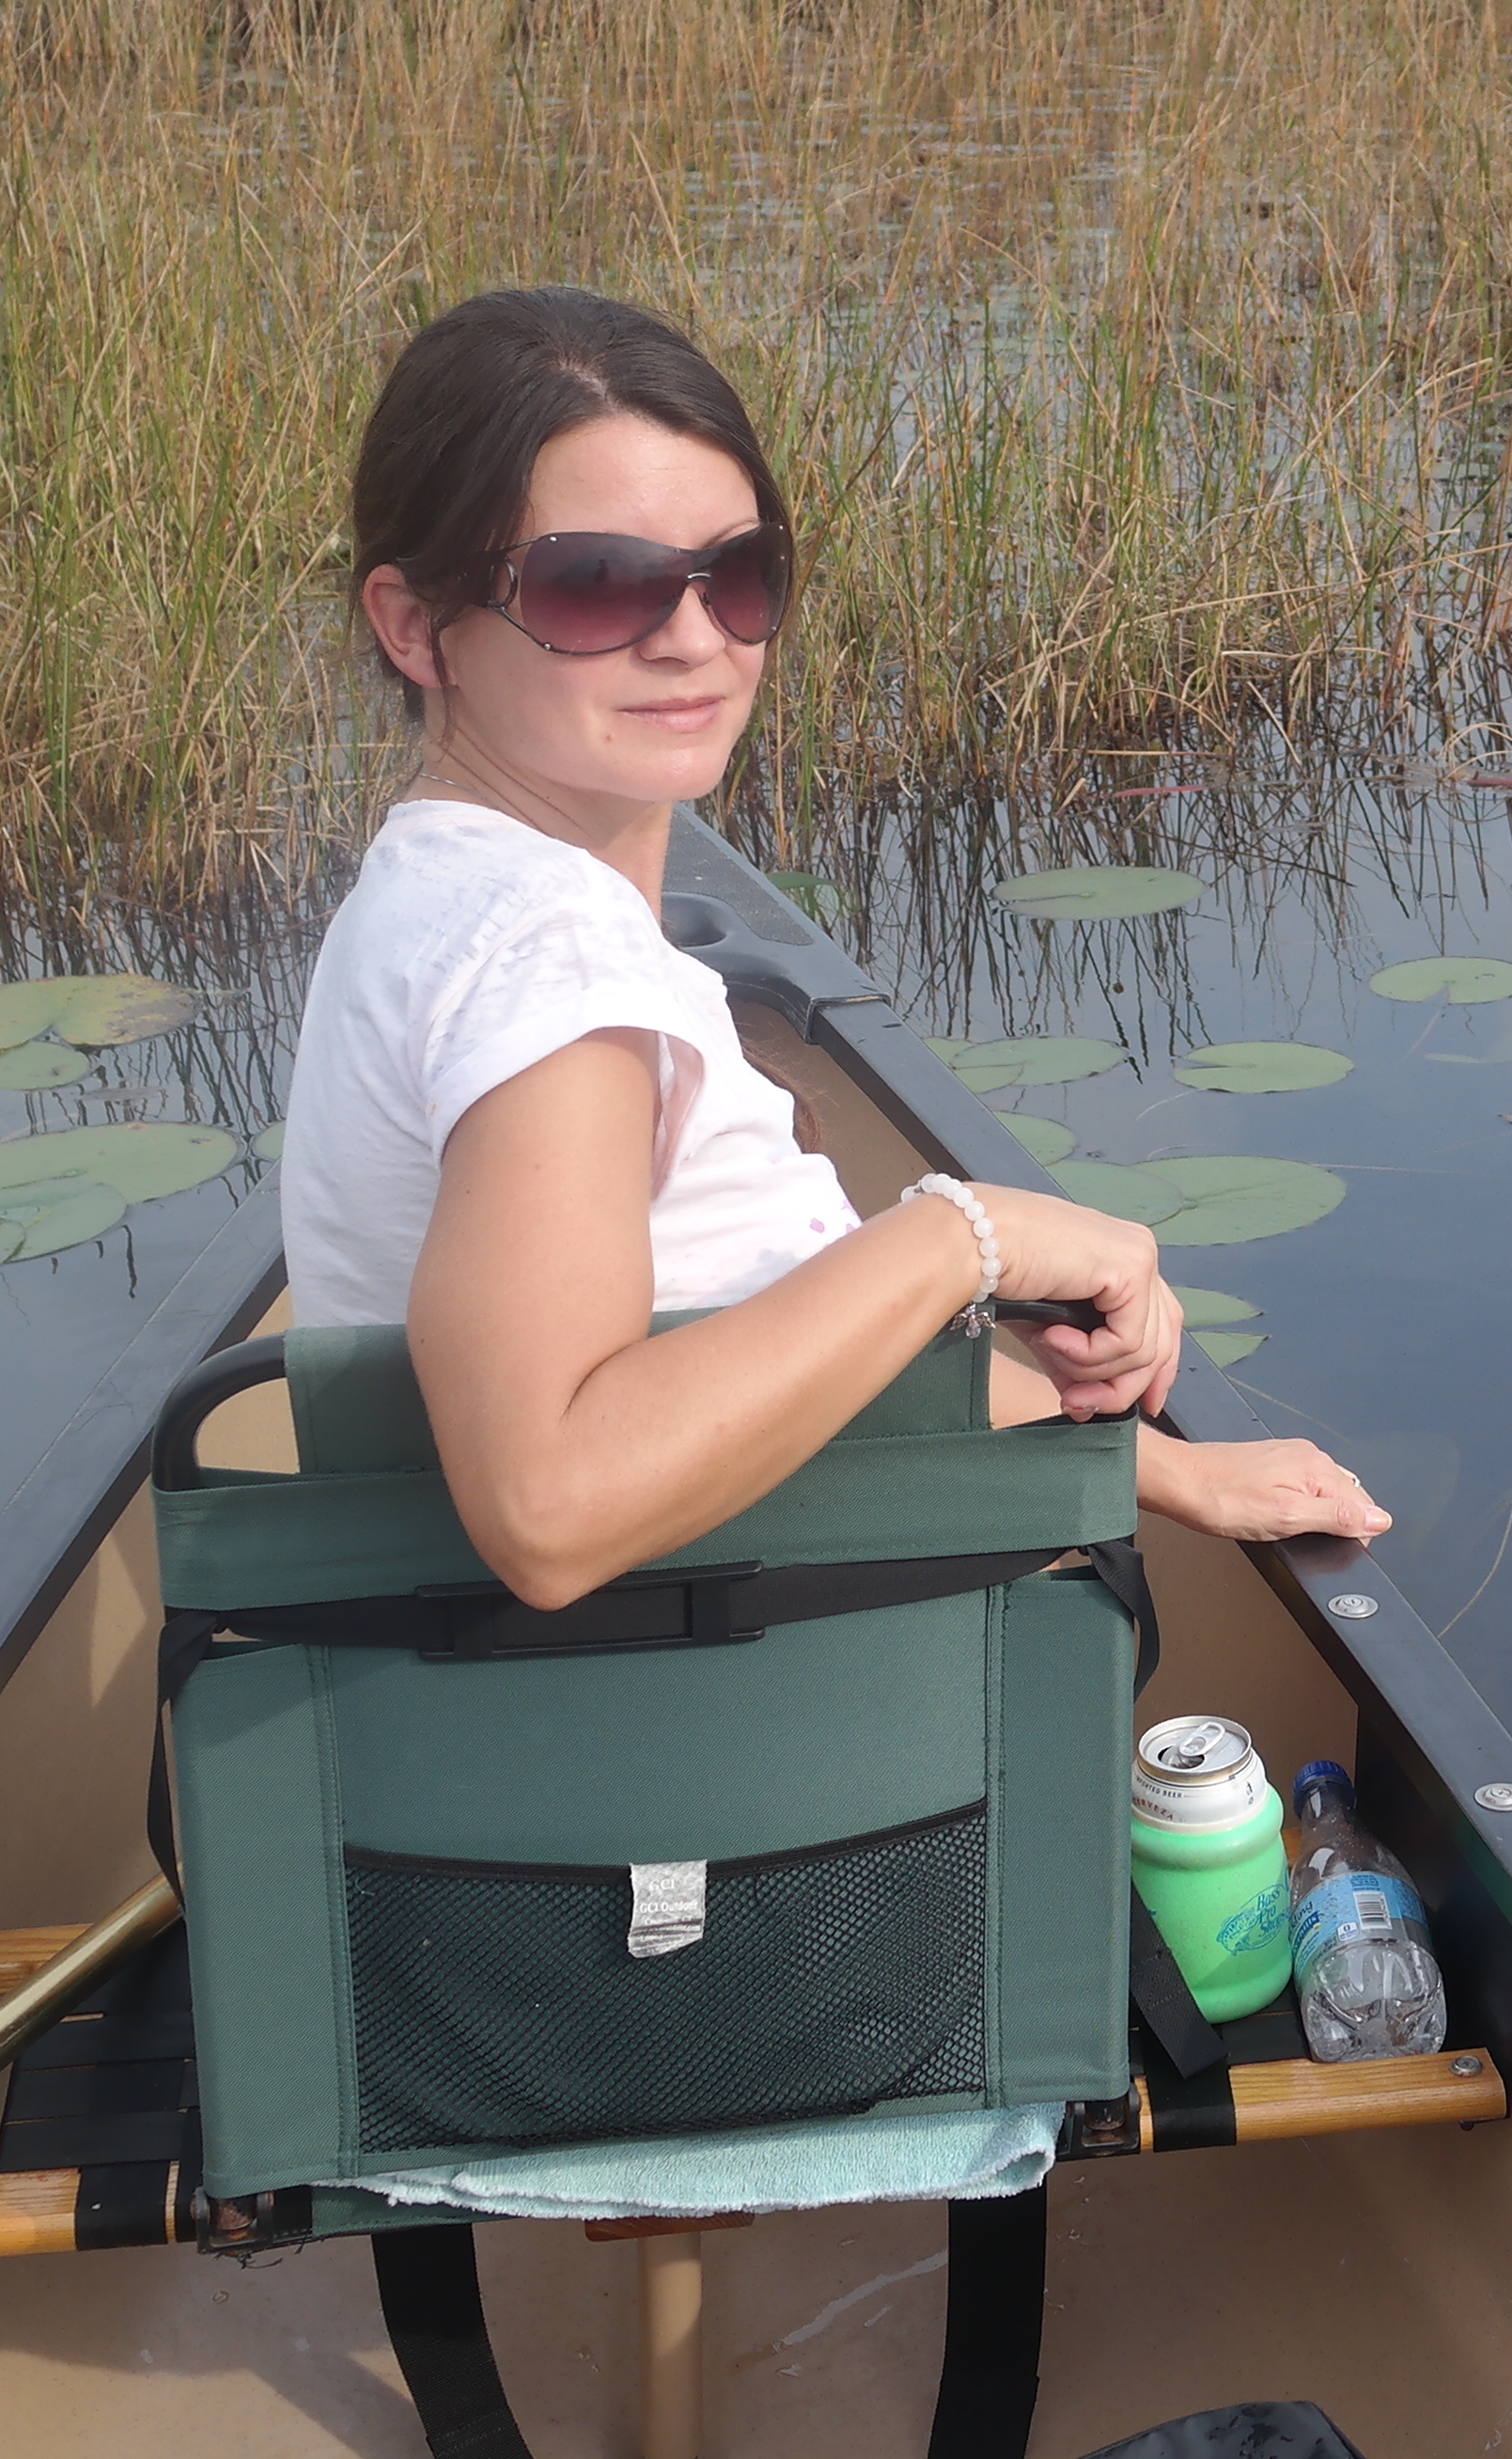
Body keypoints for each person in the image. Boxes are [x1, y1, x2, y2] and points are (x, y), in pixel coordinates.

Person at [279, 285, 1385, 1606]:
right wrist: (957, 1243)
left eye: (736, 574)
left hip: (591, 1702)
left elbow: (716, 1362)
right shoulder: (551, 970)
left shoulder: (434, 893)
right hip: (736, 1741)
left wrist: (1163, 1470)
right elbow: (550, 1505)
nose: (694, 639)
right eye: (594, 586)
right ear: (414, 627)